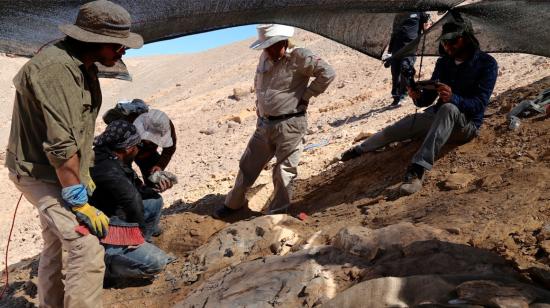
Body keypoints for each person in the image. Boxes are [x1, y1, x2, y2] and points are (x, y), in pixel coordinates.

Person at [5, 1, 142, 307]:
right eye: (118, 44)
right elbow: (61, 144)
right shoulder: (55, 70)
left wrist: (83, 182)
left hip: (60, 173)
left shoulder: (82, 68)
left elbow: (76, 133)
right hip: (40, 174)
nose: (124, 50)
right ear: (96, 39)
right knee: (86, 248)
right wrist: (77, 199)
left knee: (55, 242)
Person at [340, 16, 498, 195]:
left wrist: (453, 98)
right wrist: (417, 95)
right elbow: (427, 100)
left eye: (453, 41)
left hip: (465, 125)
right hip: (437, 116)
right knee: (398, 128)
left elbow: (479, 105)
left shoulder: (487, 64)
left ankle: (417, 170)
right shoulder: (444, 62)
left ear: (467, 38)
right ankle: (361, 149)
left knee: (449, 108)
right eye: (445, 42)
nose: (448, 46)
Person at [214, 24, 336, 218]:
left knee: (284, 170)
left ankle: (277, 213)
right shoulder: (265, 57)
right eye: (266, 47)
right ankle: (233, 204)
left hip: (290, 124)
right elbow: (259, 83)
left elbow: (328, 73)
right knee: (248, 165)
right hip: (264, 124)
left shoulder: (300, 56)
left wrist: (307, 95)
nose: (269, 51)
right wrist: (260, 106)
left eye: (272, 46)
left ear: (284, 42)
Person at [90, 120, 172, 282]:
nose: (138, 149)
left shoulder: (109, 155)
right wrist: (138, 234)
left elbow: (135, 191)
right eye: (137, 146)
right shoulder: (108, 169)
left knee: (153, 201)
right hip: (105, 229)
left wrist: (154, 187)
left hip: (113, 212)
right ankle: (105, 267)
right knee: (159, 263)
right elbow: (131, 198)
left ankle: (139, 246)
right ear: (128, 149)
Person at [103, 102, 177, 191]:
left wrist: (160, 165)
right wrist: (137, 183)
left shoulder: (166, 126)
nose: (148, 141)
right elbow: (122, 163)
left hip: (145, 153)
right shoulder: (125, 132)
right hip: (124, 153)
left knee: (155, 182)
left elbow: (169, 148)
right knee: (129, 186)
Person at [386, 12, 430, 107]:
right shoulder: (398, 15)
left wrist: (426, 26)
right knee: (395, 72)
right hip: (396, 49)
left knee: (406, 68)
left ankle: (405, 93)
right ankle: (396, 97)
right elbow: (393, 34)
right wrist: (389, 52)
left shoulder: (419, 12)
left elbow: (425, 28)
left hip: (410, 48)